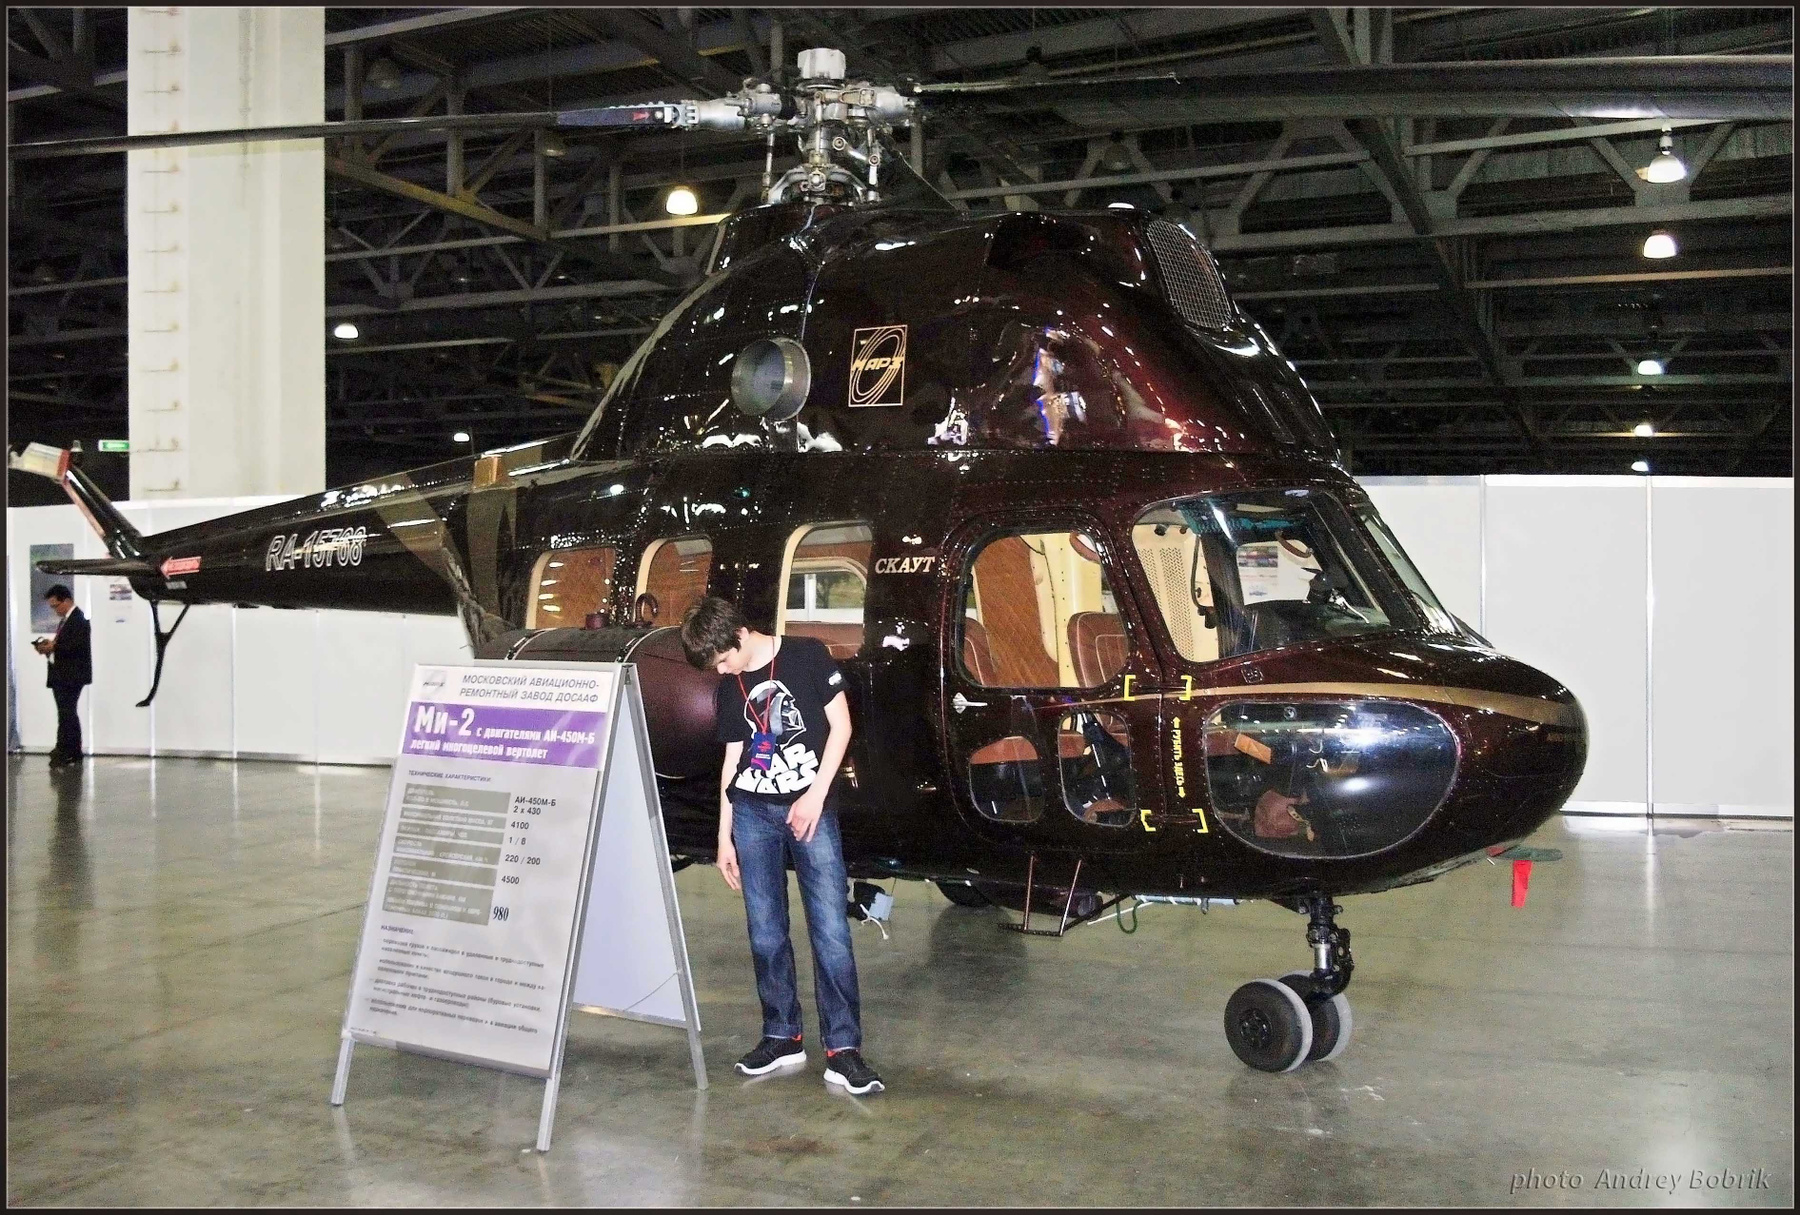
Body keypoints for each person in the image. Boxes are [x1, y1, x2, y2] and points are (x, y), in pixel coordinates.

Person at [679, 595, 884, 1096]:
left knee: (830, 929)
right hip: (752, 814)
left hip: (809, 812)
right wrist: (723, 835)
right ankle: (781, 1035)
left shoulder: (806, 656)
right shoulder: (731, 685)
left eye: (723, 660)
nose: (722, 671)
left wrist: (815, 796)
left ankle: (843, 1049)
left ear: (740, 635)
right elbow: (734, 759)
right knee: (765, 931)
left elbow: (842, 727)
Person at [32, 584, 91, 769]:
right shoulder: (66, 620)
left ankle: (67, 750)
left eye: (55, 606)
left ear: (66, 601)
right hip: (62, 674)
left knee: (67, 714)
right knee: (66, 713)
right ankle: (68, 749)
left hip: (71, 675)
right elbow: (65, 643)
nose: (54, 610)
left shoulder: (78, 619)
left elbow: (75, 647)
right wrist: (50, 646)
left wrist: (54, 647)